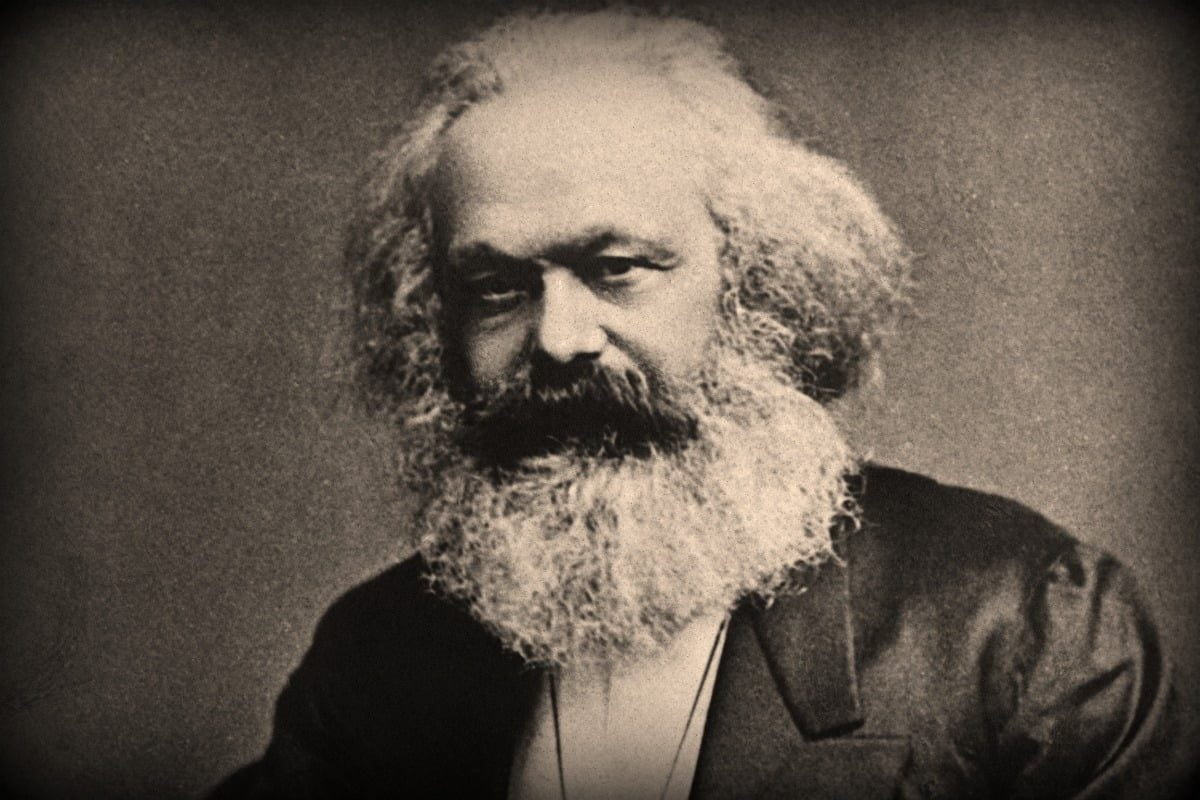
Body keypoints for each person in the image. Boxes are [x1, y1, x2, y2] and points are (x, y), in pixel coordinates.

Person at [213, 8, 1179, 799]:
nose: (558, 339)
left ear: (754, 281)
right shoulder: (374, 662)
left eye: (616, 267)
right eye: (497, 288)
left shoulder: (1029, 634)